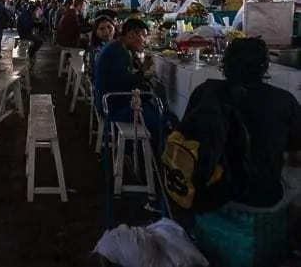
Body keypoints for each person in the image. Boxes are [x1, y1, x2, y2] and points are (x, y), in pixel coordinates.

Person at [181, 38, 301, 209]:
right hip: (261, 197)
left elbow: (187, 138)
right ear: (265, 66)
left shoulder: (205, 91)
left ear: (225, 63)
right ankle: (288, 230)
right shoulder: (284, 100)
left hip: (206, 192)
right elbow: (296, 156)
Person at [94, 18, 159, 141]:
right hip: (113, 106)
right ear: (131, 34)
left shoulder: (117, 46)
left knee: (149, 101)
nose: (145, 41)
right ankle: (155, 156)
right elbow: (123, 84)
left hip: (110, 100)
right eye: (143, 36)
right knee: (160, 118)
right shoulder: (119, 52)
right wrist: (142, 71)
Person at [84, 15, 116, 80]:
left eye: (109, 27)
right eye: (102, 29)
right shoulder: (97, 51)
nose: (107, 31)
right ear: (96, 33)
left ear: (114, 28)